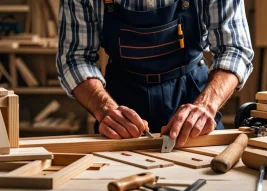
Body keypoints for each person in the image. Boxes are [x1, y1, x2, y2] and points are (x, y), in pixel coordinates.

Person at [56, 0, 254, 146]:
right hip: (122, 101)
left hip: (192, 95)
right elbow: (75, 57)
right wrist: (104, 108)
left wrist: (205, 106)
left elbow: (234, 49)